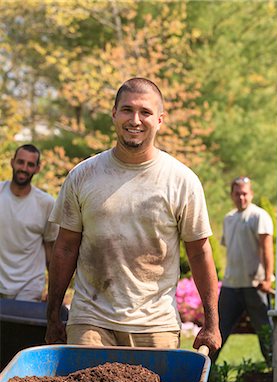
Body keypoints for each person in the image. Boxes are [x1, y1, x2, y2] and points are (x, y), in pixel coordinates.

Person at [45, 77, 222, 353]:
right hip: (91, 320)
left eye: (146, 112)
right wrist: (53, 314)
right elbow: (65, 248)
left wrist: (212, 322)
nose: (135, 120)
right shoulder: (83, 176)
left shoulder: (181, 181)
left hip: (155, 325)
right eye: (127, 110)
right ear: (114, 114)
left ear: (160, 120)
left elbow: (199, 253)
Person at [214, 176, 274, 364]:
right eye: (238, 194)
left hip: (254, 284)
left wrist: (267, 278)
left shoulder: (259, 216)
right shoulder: (229, 218)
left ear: (251, 194)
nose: (241, 198)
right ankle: (206, 371)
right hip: (231, 285)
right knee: (218, 329)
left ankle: (274, 371)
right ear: (232, 195)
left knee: (266, 332)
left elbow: (267, 248)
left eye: (245, 194)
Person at [0, 144, 59, 301]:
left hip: (30, 286)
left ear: (37, 169)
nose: (24, 168)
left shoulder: (46, 203)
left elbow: (50, 251)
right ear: (12, 162)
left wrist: (54, 292)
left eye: (30, 164)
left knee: (20, 325)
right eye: (21, 162)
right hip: (1, 282)